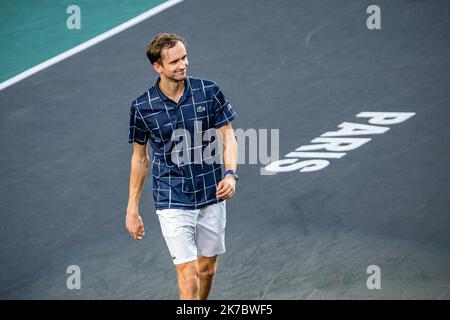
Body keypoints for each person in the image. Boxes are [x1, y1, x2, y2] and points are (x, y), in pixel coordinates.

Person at [125, 33, 238, 300]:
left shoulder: (208, 91)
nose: (183, 65)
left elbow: (228, 135)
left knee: (207, 270)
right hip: (171, 196)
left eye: (184, 57)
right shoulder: (143, 107)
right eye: (174, 61)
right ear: (158, 67)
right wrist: (132, 208)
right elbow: (139, 158)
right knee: (188, 276)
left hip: (212, 192)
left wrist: (231, 174)